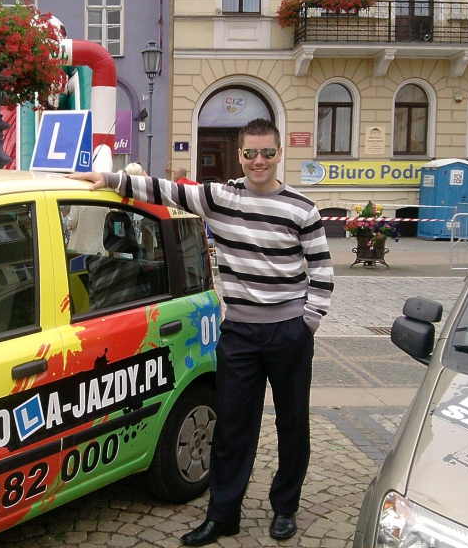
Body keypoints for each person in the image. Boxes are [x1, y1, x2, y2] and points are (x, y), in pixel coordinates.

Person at [69, 118, 333, 546]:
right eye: (250, 153)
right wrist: (111, 179)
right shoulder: (220, 197)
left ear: (279, 153)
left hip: (288, 332)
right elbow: (164, 191)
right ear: (241, 155)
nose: (259, 160)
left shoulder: (301, 208)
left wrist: (308, 322)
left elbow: (321, 270)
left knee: (292, 425)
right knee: (231, 426)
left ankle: (285, 508)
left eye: (267, 152)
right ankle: (223, 515)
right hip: (241, 333)